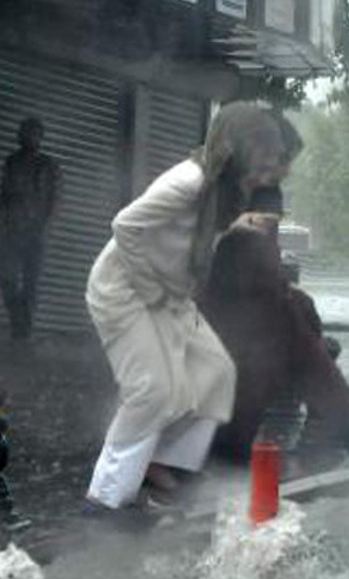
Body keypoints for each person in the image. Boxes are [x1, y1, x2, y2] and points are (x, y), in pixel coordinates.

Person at [83, 102, 295, 515]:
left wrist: (239, 223)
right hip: (126, 289)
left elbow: (195, 225)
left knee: (216, 373)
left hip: (169, 292)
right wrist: (150, 289)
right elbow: (125, 225)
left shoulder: (223, 188)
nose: (265, 176)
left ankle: (159, 464)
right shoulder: (188, 181)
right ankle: (104, 498)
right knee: (153, 391)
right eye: (261, 165)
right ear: (236, 154)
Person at [198, 188, 349, 514]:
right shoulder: (238, 247)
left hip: (260, 358)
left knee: (331, 400)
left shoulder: (239, 246)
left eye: (275, 221)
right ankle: (222, 512)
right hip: (251, 360)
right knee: (238, 439)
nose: (270, 227)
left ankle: (224, 512)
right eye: (267, 220)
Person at [0, 117, 62, 340]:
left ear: (39, 138)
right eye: (23, 132)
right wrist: (4, 224)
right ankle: (19, 322)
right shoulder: (11, 162)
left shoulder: (48, 165)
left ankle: (22, 332)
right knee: (7, 279)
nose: (24, 136)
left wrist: (44, 227)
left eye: (31, 133)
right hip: (11, 231)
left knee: (31, 284)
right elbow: (3, 196)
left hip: (35, 233)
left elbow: (54, 200)